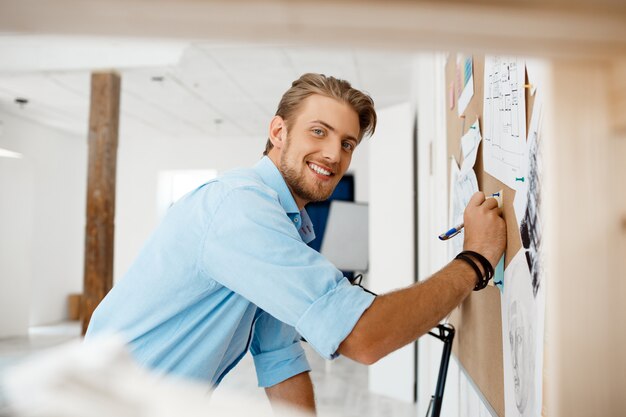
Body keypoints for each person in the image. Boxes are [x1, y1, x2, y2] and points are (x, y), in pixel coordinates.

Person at [86, 73, 506, 414]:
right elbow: (363, 337)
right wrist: (475, 260)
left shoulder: (285, 225)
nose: (332, 155)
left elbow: (278, 355)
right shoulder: (241, 207)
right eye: (318, 132)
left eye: (347, 144)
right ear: (278, 131)